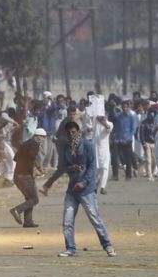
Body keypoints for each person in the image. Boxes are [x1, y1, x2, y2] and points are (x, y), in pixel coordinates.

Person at [57, 121, 116, 257]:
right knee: (67, 220)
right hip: (72, 189)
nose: (71, 135)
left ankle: (107, 245)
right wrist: (71, 169)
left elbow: (92, 167)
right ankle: (70, 248)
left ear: (78, 131)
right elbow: (63, 167)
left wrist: (83, 182)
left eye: (73, 132)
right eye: (69, 133)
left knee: (95, 218)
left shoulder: (87, 145)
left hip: (86, 189)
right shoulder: (66, 149)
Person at [9, 128, 47, 228]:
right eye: (43, 138)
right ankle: (17, 210)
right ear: (38, 137)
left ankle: (28, 221)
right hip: (24, 176)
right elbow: (32, 156)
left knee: (29, 198)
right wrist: (39, 167)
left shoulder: (25, 143)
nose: (43, 140)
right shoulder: (35, 144)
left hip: (18, 175)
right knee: (34, 199)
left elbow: (16, 158)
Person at [41, 105, 78, 196]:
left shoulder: (70, 122)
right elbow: (60, 137)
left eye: (74, 114)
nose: (73, 116)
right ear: (68, 114)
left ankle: (46, 186)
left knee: (61, 171)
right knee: (71, 169)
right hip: (63, 150)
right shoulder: (66, 123)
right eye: (71, 114)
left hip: (66, 149)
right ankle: (74, 189)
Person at [111, 101, 137, 181]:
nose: (125, 109)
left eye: (126, 107)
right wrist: (115, 138)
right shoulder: (119, 116)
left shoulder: (132, 117)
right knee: (114, 157)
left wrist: (128, 138)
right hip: (118, 139)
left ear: (129, 107)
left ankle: (128, 175)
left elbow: (133, 129)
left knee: (127, 158)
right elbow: (116, 128)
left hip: (127, 140)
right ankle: (115, 175)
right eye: (123, 107)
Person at [93, 116, 113, 194]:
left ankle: (102, 187)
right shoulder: (96, 123)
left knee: (105, 168)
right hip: (96, 148)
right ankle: (94, 186)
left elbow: (107, 127)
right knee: (96, 168)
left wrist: (102, 121)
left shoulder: (110, 124)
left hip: (105, 150)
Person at [139, 109, 158, 180]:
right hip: (147, 143)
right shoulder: (144, 123)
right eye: (150, 114)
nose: (151, 115)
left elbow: (156, 132)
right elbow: (141, 134)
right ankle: (150, 175)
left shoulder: (155, 123)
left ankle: (152, 173)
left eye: (153, 114)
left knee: (155, 160)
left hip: (154, 143)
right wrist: (143, 143)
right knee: (148, 160)